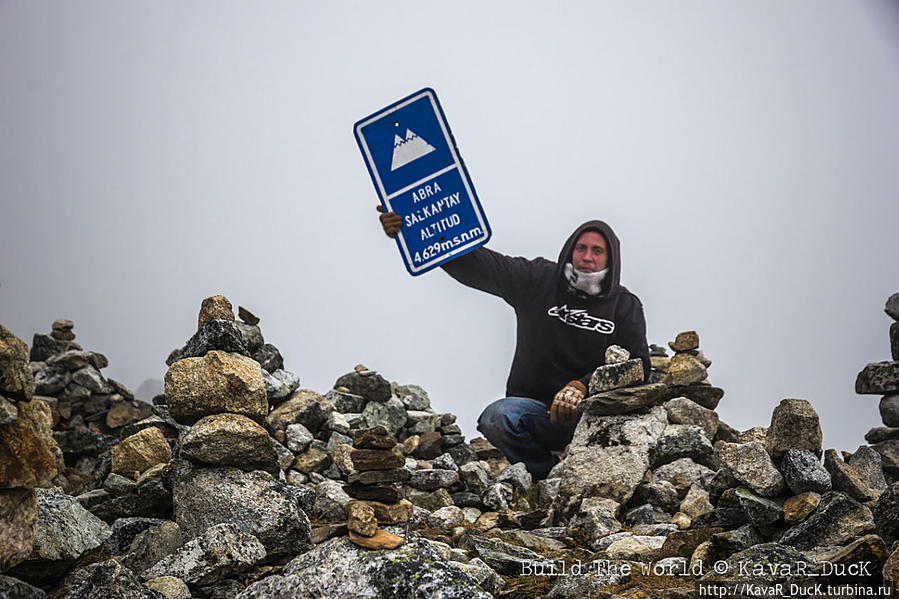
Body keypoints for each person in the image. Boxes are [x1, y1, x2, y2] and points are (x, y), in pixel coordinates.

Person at [378, 208, 650, 480]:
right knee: (497, 416)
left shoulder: (624, 306)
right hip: (535, 414)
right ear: (570, 249)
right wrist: (413, 234)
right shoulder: (538, 279)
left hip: (592, 419)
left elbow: (638, 369)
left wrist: (582, 386)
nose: (587, 257)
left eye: (597, 251)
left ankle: (582, 471)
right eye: (581, 248)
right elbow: (478, 265)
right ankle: (544, 476)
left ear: (611, 258)